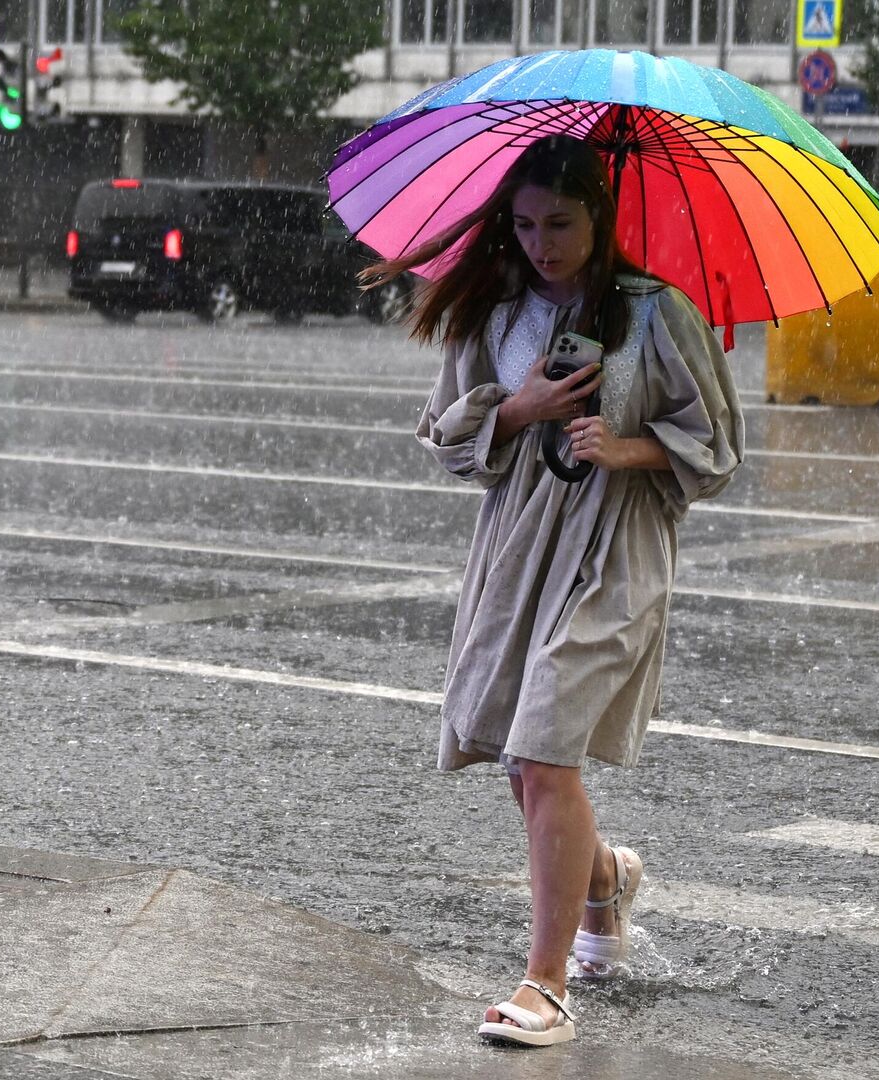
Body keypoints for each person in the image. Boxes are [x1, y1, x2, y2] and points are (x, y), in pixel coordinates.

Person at [360, 134, 742, 1048]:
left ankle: (546, 985)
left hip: (617, 547)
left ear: (599, 217)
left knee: (541, 750)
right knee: (522, 756)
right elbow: (450, 441)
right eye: (525, 223)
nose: (541, 242)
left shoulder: (656, 315)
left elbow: (719, 450)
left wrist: (629, 445)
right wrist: (520, 410)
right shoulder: (490, 316)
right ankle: (602, 878)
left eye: (561, 223)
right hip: (519, 542)